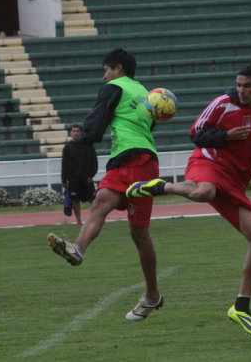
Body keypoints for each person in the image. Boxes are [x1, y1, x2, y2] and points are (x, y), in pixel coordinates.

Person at [126, 63, 251, 338]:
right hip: (208, 163)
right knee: (205, 192)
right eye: (239, 85)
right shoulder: (222, 104)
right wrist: (225, 136)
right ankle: (162, 187)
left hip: (235, 182)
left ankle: (241, 307)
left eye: (247, 86)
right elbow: (196, 135)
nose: (241, 90)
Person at [47, 48, 164, 321]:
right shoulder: (145, 92)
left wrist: (82, 140)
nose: (105, 76)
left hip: (133, 161)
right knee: (102, 203)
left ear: (118, 69)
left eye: (106, 70)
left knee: (137, 232)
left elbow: (95, 125)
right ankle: (77, 249)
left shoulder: (113, 87)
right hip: (140, 160)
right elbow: (149, 126)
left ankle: (152, 295)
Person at [61, 123, 98, 226]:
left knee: (93, 199)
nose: (76, 133)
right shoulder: (67, 147)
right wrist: (64, 181)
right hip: (73, 179)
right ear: (70, 133)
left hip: (87, 178)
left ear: (81, 132)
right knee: (75, 201)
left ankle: (97, 218)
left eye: (78, 131)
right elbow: (64, 165)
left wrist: (91, 175)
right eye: (74, 131)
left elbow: (94, 161)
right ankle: (78, 220)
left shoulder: (88, 145)